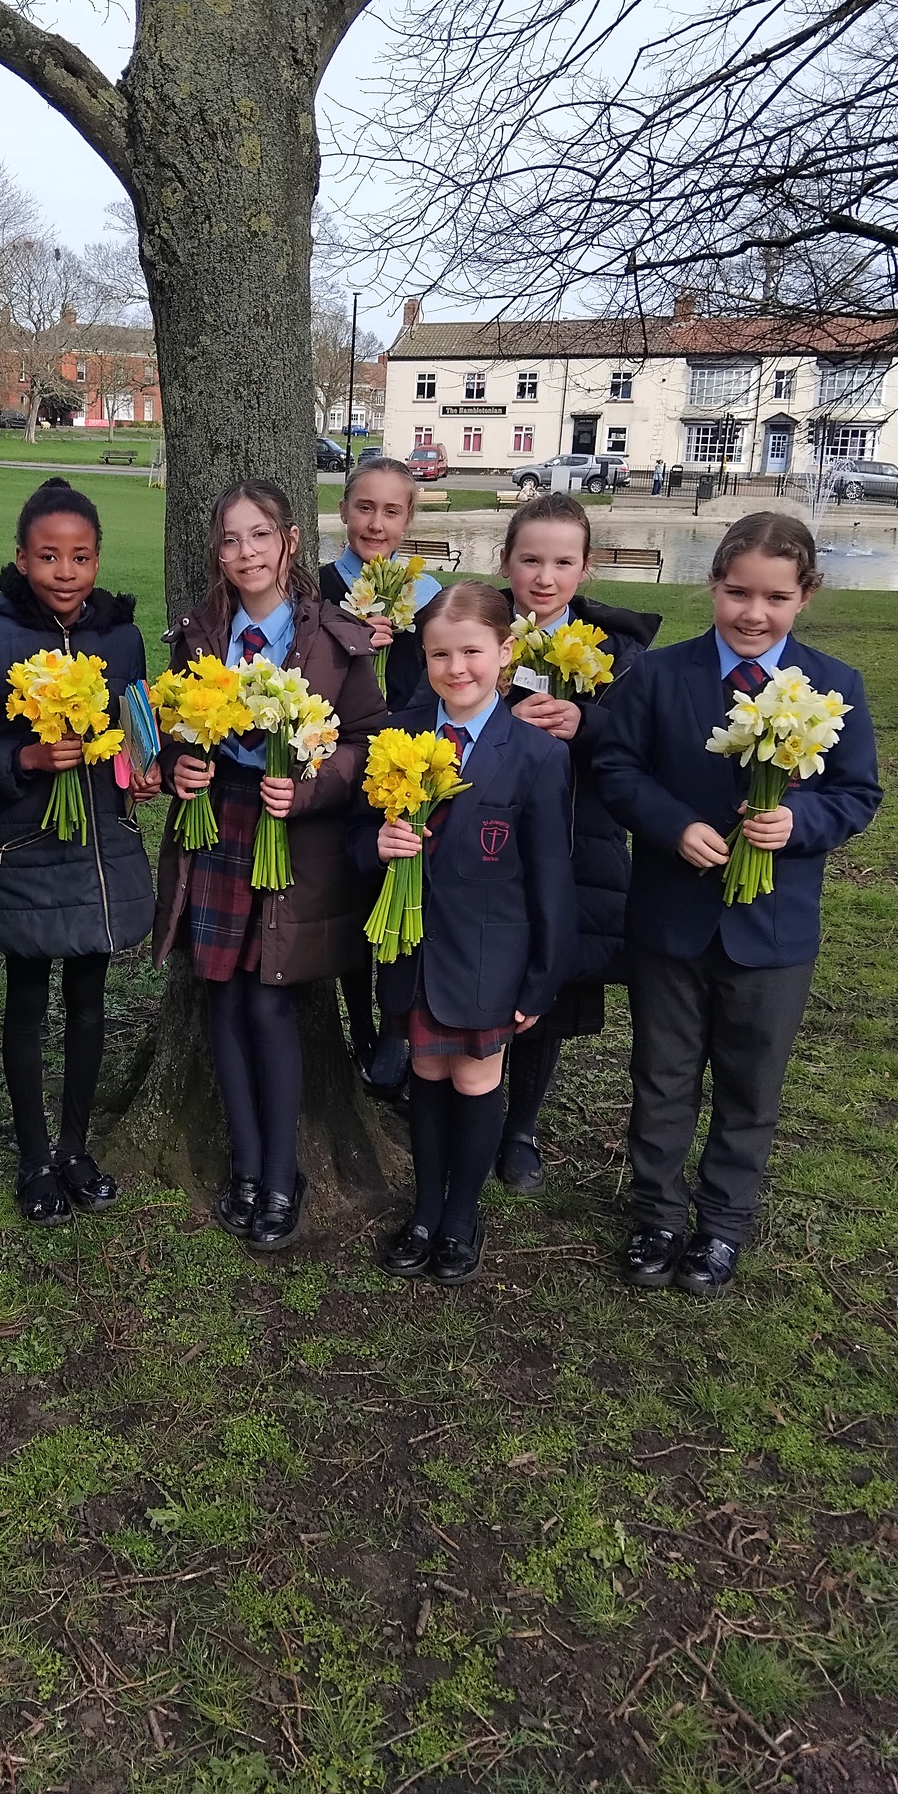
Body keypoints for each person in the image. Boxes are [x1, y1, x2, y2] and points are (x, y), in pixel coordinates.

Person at [594, 512, 880, 1296]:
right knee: (662, 1074)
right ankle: (657, 1214)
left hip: (773, 931)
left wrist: (800, 823)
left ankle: (722, 1223)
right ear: (714, 585)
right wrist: (672, 825)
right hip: (671, 920)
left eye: (775, 598)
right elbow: (617, 768)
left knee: (752, 1082)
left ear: (805, 596)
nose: (754, 613)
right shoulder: (660, 676)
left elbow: (857, 793)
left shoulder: (834, 687)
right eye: (737, 593)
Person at [153, 478, 387, 1254]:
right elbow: (176, 729)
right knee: (220, 998)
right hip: (218, 825)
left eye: (260, 535)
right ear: (216, 552)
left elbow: (367, 740)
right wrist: (181, 764)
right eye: (230, 539)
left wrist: (311, 787)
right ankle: (247, 1166)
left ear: (290, 541)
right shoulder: (200, 634)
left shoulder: (333, 637)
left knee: (269, 1005)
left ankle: (284, 1175)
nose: (246, 552)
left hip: (291, 830)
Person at [0, 480, 159, 1227]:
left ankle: (75, 1148)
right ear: (21, 559)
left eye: (81, 556)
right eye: (48, 556)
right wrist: (27, 759)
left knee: (89, 1000)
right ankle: (34, 1157)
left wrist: (144, 767)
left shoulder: (121, 638)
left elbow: (136, 726)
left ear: (98, 559)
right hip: (25, 846)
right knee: (29, 1000)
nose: (65, 572)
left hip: (100, 843)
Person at [352, 582, 576, 1285]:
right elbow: (357, 840)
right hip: (413, 949)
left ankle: (460, 1217)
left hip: (490, 954)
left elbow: (551, 878)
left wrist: (541, 978)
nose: (457, 669)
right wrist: (376, 847)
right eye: (440, 655)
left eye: (472, 652)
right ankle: (424, 1211)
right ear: (423, 657)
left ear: (505, 653)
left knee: (476, 1080)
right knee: (425, 1075)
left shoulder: (536, 755)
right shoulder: (398, 738)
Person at [494, 493, 661, 1192]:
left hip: (575, 838)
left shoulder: (617, 653)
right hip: (490, 837)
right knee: (485, 966)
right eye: (530, 560)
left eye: (563, 562)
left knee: (552, 982)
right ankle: (467, 1099)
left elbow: (643, 747)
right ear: (506, 561)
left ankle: (520, 1128)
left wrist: (587, 725)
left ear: (585, 568)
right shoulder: (477, 629)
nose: (545, 577)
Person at [319, 454, 443, 1081]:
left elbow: (439, 679)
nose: (375, 523)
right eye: (364, 507)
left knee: (398, 888)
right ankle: (359, 1028)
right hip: (340, 758)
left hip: (408, 762)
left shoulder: (429, 596)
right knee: (346, 891)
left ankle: (395, 1029)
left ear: (408, 519)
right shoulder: (318, 589)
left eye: (391, 511)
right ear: (343, 510)